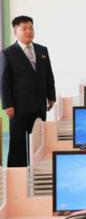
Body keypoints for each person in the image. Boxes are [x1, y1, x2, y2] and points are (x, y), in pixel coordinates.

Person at [0, 16, 56, 167]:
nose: (28, 31)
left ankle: (36, 173)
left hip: (39, 106)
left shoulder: (42, 50)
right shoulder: (8, 53)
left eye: (31, 28)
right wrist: (7, 105)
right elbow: (4, 82)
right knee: (18, 146)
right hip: (18, 108)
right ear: (15, 31)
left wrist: (51, 96)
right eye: (24, 28)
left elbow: (48, 75)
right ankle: (17, 178)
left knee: (38, 145)